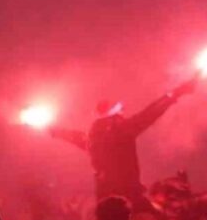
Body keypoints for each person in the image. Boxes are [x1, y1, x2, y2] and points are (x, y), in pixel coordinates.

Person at [48, 77, 199, 203]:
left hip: (104, 204)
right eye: (120, 110)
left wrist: (54, 131)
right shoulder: (121, 131)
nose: (123, 113)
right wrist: (176, 94)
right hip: (128, 201)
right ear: (112, 114)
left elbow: (74, 137)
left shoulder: (93, 138)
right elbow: (150, 113)